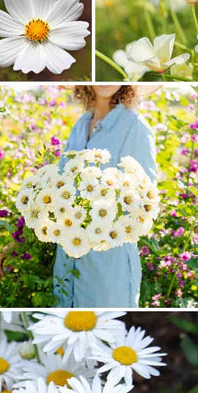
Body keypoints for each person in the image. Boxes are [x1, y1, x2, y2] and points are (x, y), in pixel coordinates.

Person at [53, 85, 159, 307]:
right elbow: (58, 186)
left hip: (109, 260)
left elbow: (146, 198)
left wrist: (103, 215)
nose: (104, 81)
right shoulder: (81, 125)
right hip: (68, 255)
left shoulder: (134, 126)